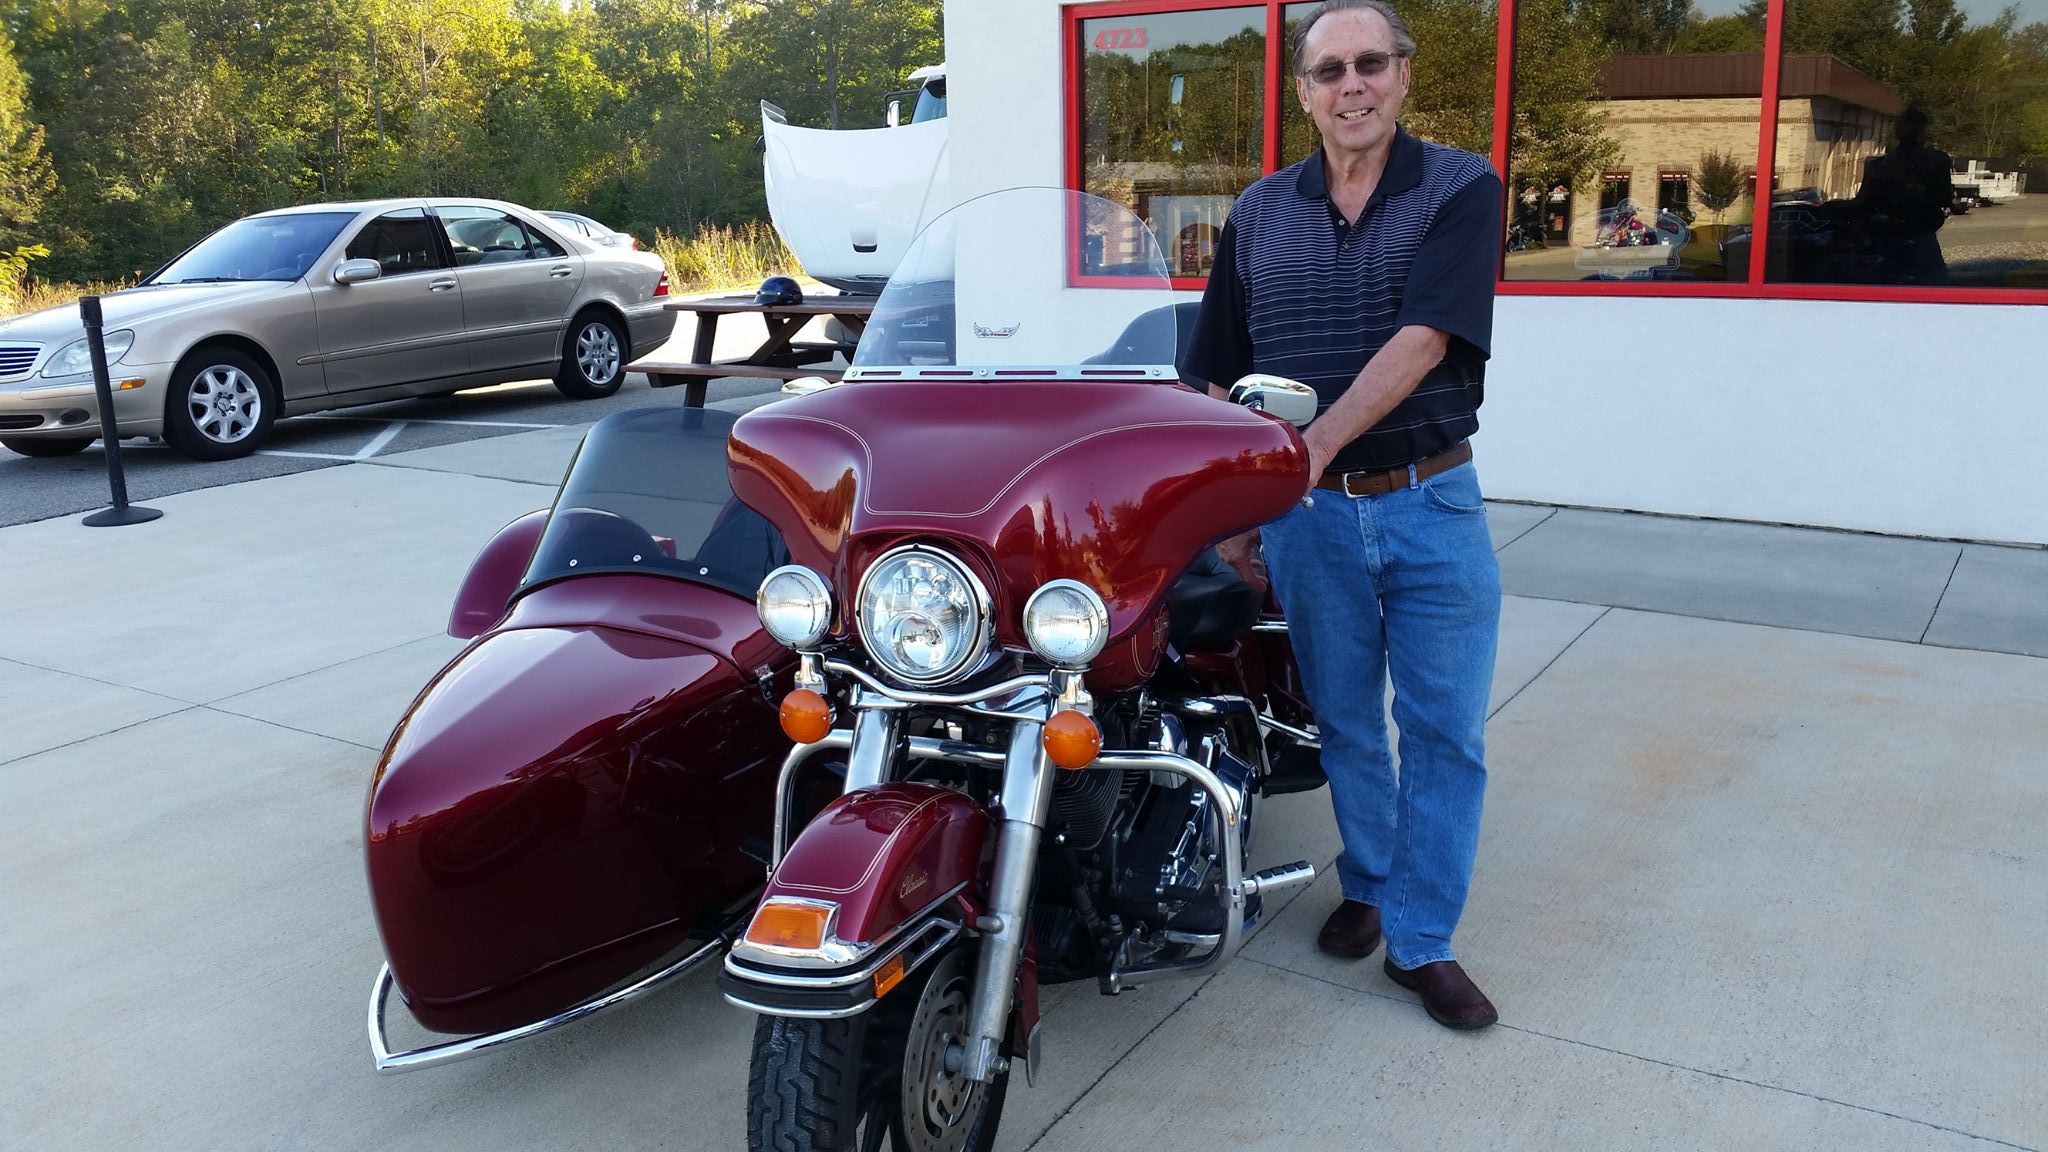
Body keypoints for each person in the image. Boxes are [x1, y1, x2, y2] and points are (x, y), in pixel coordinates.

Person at [1183, 0, 1505, 1030]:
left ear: (1402, 75)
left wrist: (1307, 448)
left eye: (1370, 63)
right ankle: (1367, 881)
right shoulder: (1257, 209)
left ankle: (1421, 942)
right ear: (1304, 91)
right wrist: (1237, 505)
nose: (1351, 84)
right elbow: (1214, 372)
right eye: (1329, 70)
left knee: (1444, 732)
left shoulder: (1458, 186)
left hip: (1427, 502)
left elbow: (1425, 338)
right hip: (1305, 522)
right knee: (1345, 724)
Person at [1854, 107, 1952, 285]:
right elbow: (1944, 198)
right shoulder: (1938, 161)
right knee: (1935, 290)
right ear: (1923, 133)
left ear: (1898, 132)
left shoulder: (1878, 165)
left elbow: (1862, 203)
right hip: (1919, 238)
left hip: (1888, 240)